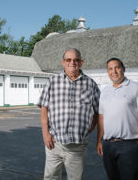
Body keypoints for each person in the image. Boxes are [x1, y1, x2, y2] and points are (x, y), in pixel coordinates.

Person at [38, 48, 100, 180]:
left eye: (76, 60)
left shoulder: (90, 84)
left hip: (77, 146)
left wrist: (91, 127)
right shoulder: (52, 82)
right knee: (50, 177)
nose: (72, 62)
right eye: (68, 60)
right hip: (54, 143)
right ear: (63, 62)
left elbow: (98, 111)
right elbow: (44, 108)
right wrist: (45, 133)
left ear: (81, 62)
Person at [96, 57, 138, 180]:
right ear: (107, 72)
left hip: (129, 145)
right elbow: (101, 117)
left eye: (117, 68)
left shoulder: (136, 88)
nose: (114, 71)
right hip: (108, 145)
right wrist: (99, 141)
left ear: (123, 69)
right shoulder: (105, 91)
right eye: (110, 69)